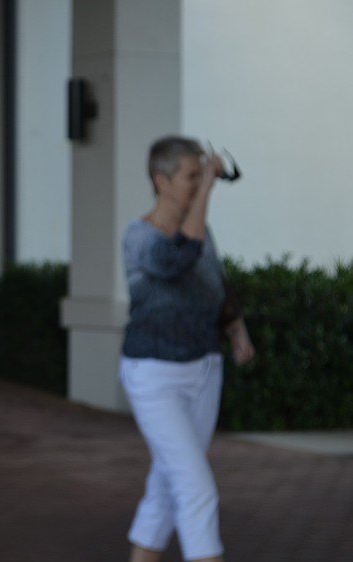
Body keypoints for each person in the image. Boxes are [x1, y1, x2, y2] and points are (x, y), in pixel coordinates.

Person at [119, 136, 255, 562]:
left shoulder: (202, 232)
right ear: (162, 181)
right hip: (154, 376)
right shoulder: (139, 237)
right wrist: (209, 192)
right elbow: (178, 257)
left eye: (203, 175)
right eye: (192, 176)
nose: (201, 183)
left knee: (168, 480)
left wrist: (237, 330)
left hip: (204, 370)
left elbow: (214, 283)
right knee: (196, 488)